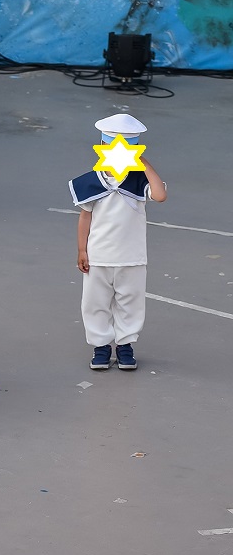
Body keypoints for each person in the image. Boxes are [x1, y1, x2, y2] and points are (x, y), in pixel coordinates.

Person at [70, 113, 167, 371]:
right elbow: (85, 217)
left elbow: (160, 195)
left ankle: (125, 345)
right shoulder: (91, 181)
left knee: (130, 302)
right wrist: (82, 249)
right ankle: (101, 346)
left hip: (132, 257)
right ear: (103, 147)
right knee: (94, 303)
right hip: (99, 256)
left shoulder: (139, 181)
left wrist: (144, 164)